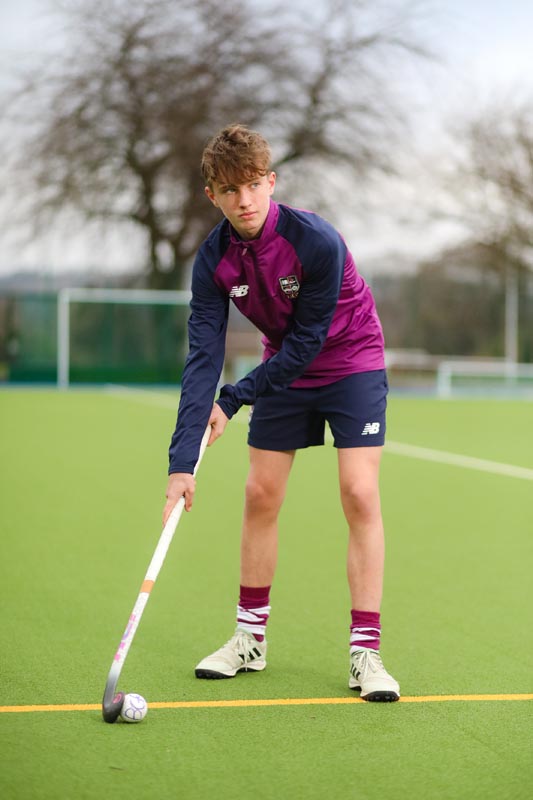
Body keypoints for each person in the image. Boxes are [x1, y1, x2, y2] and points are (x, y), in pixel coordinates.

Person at [163, 123, 400, 702]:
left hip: (350, 361)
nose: (242, 201)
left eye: (251, 185)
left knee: (359, 493)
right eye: (228, 189)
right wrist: (181, 458)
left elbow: (308, 344)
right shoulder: (213, 260)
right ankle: (249, 640)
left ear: (271, 182)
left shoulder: (315, 240)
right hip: (283, 367)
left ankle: (365, 653)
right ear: (210, 196)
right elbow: (202, 358)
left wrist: (235, 398)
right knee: (260, 494)